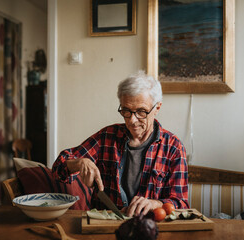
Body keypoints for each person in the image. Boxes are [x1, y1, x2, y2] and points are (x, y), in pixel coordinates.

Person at [52, 71, 189, 217]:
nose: (132, 120)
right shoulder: (107, 137)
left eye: (141, 112)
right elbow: (57, 169)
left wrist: (155, 204)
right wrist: (79, 163)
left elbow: (181, 203)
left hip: (151, 226)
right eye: (126, 111)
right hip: (105, 224)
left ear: (157, 108)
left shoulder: (173, 147)